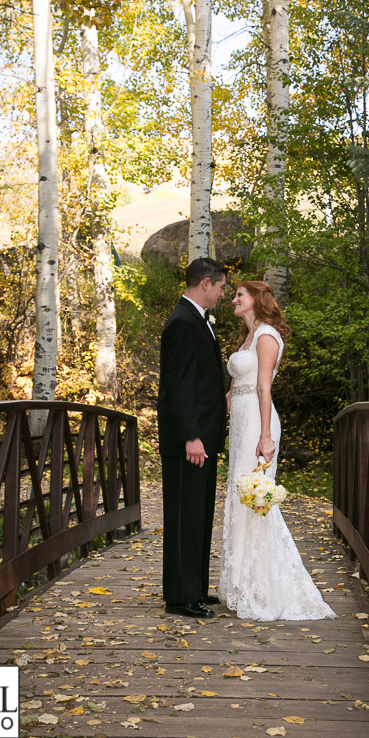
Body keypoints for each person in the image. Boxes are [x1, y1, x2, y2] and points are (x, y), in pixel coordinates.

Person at [219, 280, 337, 621]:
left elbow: (263, 386)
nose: (234, 299)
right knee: (239, 499)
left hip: (258, 423)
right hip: (240, 424)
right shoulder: (246, 337)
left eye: (240, 294)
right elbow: (235, 389)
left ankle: (266, 588)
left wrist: (266, 436)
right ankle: (242, 584)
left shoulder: (267, 335)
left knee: (256, 501)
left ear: (255, 299)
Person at [157, 257, 228, 619]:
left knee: (198, 513)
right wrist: (191, 436)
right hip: (190, 440)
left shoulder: (196, 320)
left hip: (203, 436)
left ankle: (196, 588)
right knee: (185, 514)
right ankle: (180, 598)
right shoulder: (183, 323)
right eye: (220, 287)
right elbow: (180, 387)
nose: (221, 294)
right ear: (205, 283)